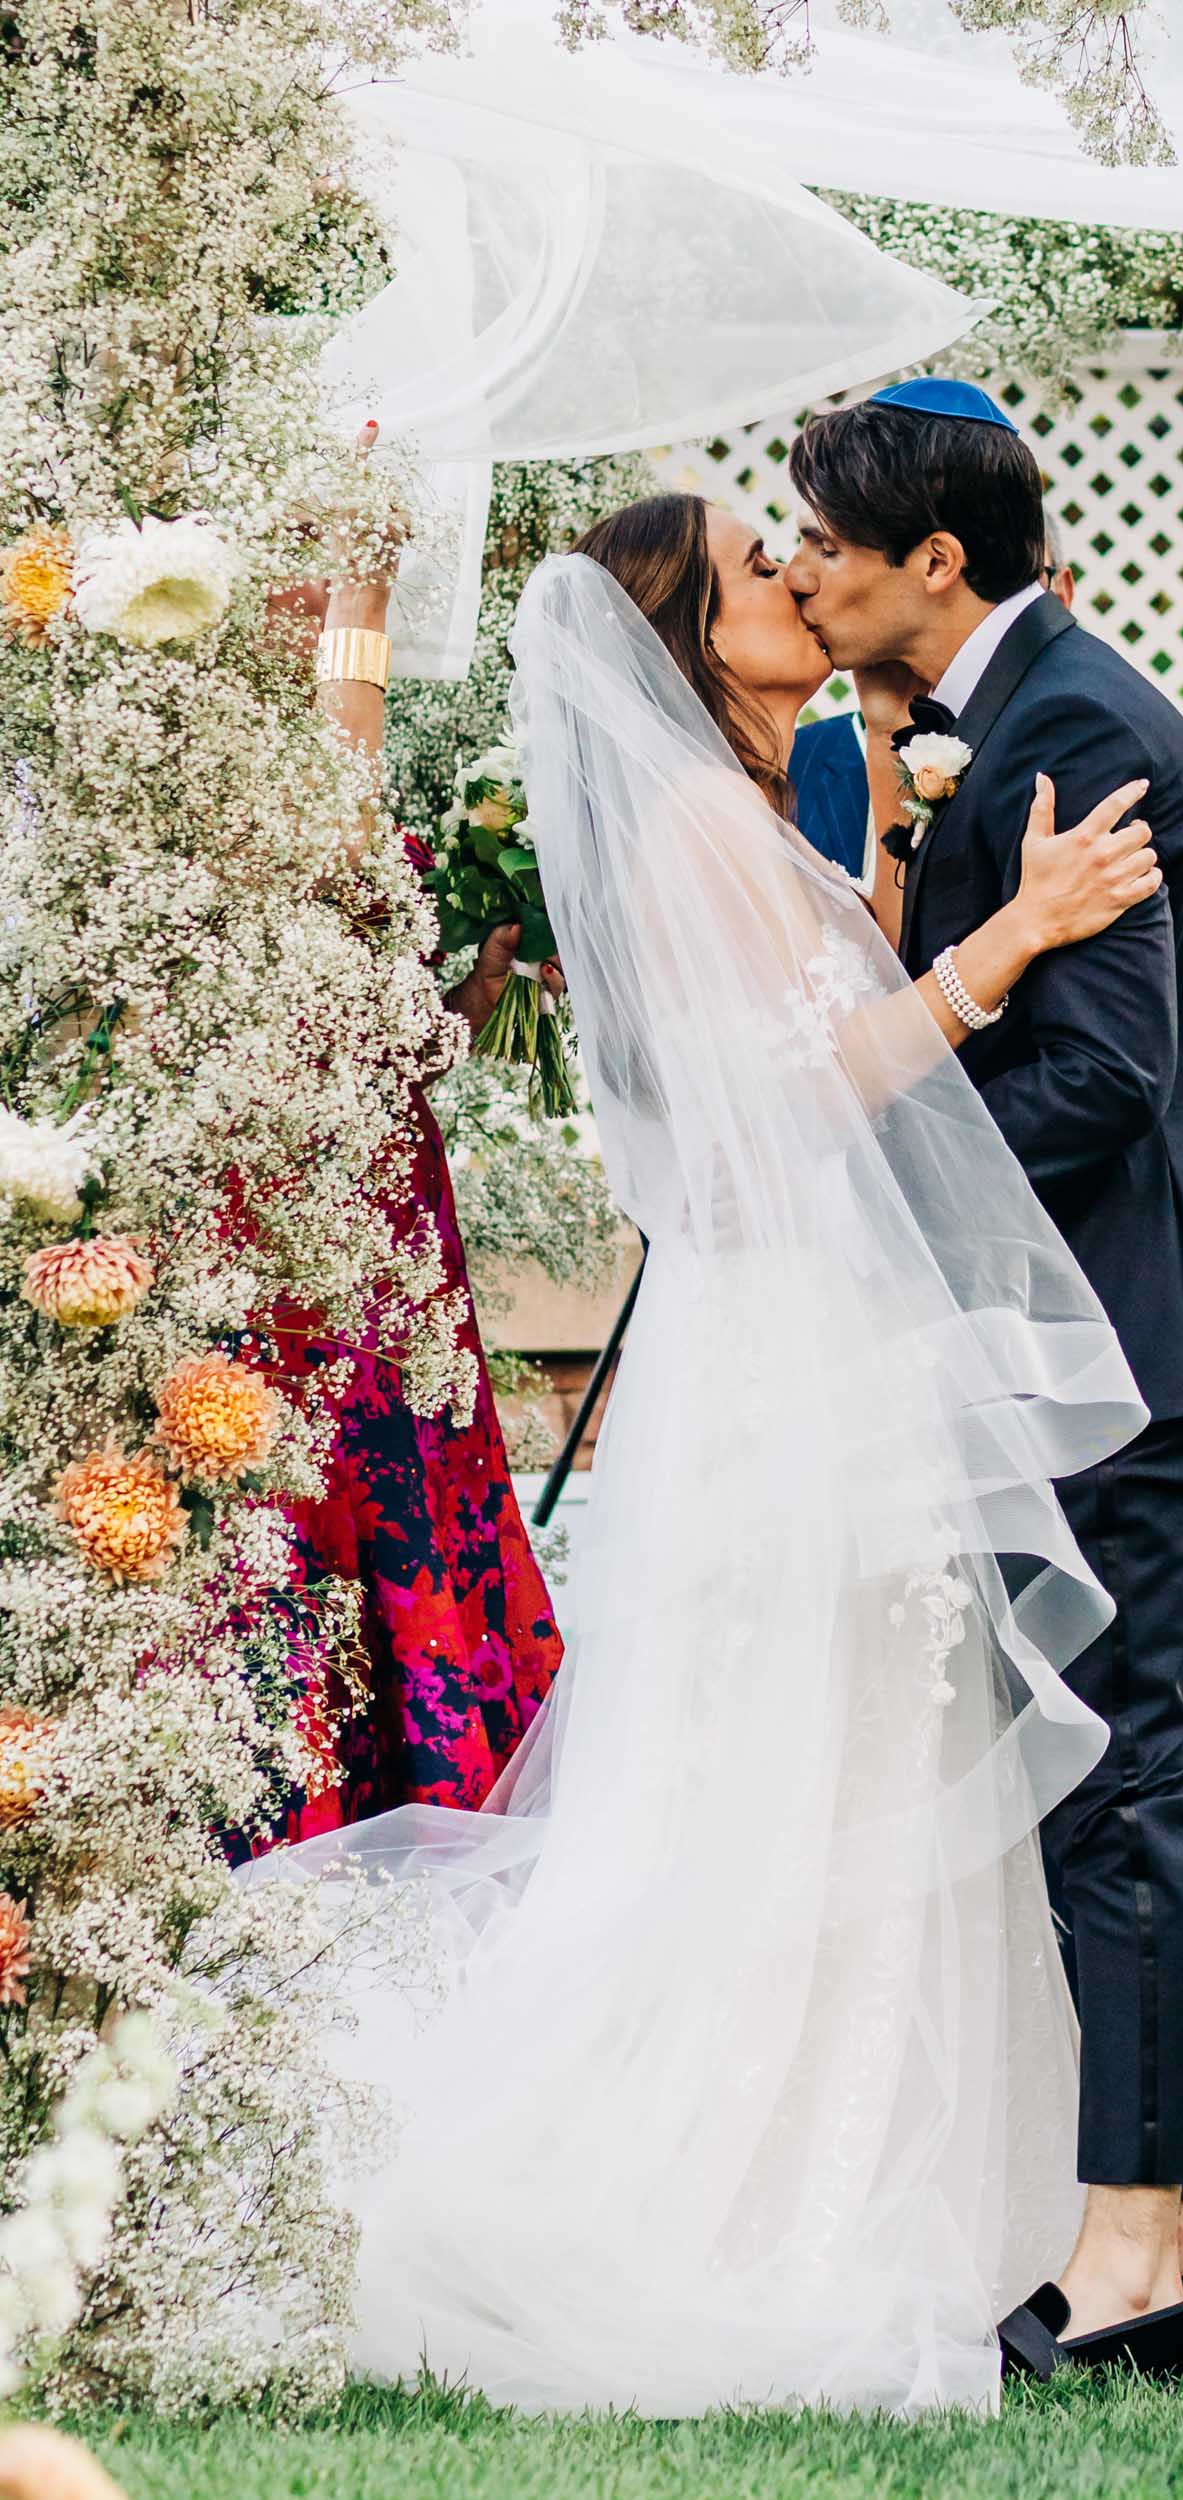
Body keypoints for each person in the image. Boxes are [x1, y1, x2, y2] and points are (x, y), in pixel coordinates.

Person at [243, 498, 1172, 2416]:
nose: (803, 580)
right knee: (798, 1774)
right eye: (764, 567)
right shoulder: (691, 829)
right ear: (686, 632)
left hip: (821, 1337)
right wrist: (1019, 932)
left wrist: (921, 857)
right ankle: (738, 2207)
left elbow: (833, 1012)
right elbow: (798, 1093)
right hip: (785, 1362)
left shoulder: (763, 813)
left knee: (854, 1759)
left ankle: (881, 2193)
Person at [785, 378, 1183, 2380]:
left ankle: (1120, 2272)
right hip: (1077, 1334)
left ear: (935, 559)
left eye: (829, 536)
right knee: (1120, 1766)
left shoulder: (1074, 729)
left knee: (1109, 1783)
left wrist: (876, 1136)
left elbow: (1101, 1072)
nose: (805, 564)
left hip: (1101, 1340)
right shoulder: (1006, 716)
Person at [247, 433, 564, 1843]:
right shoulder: (236, 757)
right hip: (294, 1218)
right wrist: (358, 615)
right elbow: (316, 866)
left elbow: (338, 972)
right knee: (323, 1519)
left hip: (377, 1197)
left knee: (404, 1490)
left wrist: (451, 1009)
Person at [791, 517, 1183, 1127]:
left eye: (1019, 592)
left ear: (1061, 596)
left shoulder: (1091, 754)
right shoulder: (803, 770)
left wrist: (1159, 932)